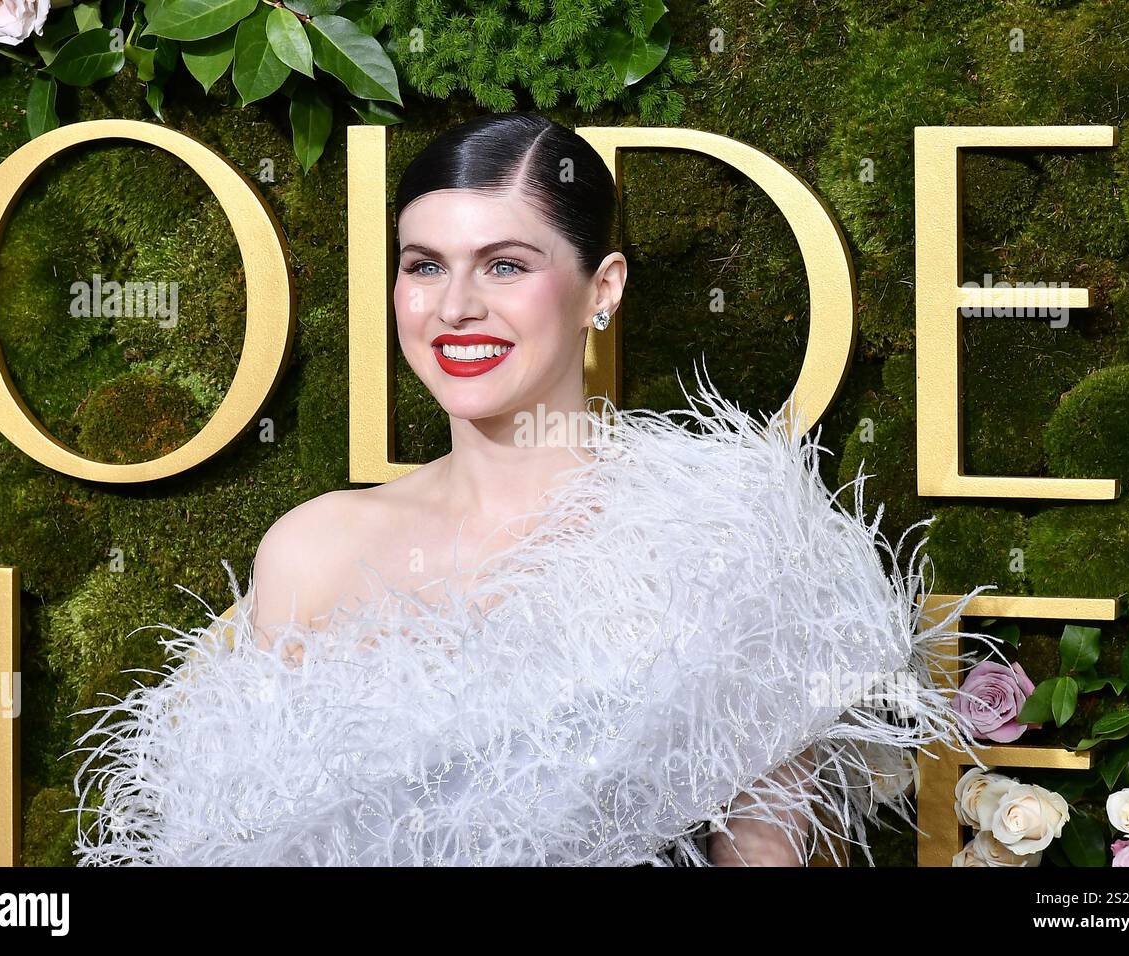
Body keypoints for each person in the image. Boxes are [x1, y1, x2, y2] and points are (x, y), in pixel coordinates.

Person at [69, 111, 998, 867]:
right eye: (423, 265)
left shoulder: (729, 539)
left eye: (505, 265)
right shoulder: (314, 548)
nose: (455, 307)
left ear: (603, 289)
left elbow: (760, 857)